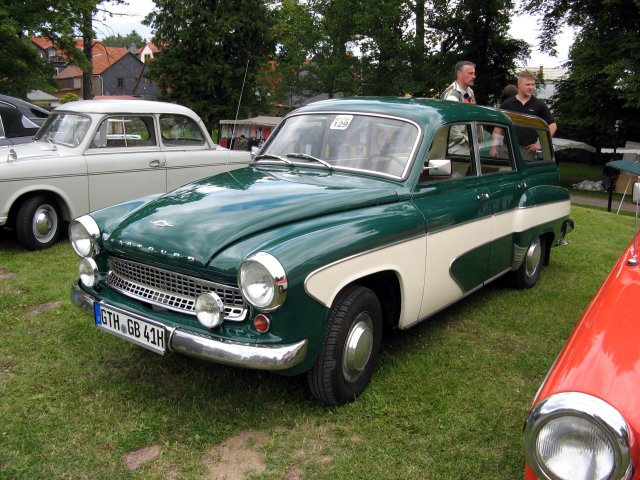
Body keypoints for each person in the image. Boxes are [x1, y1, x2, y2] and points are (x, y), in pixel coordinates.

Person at [491, 71, 557, 158]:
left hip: (527, 151)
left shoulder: (539, 104)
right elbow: (498, 127)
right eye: (528, 84)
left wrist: (540, 144)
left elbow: (553, 125)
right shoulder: (507, 104)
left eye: (533, 84)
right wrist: (493, 148)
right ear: (519, 84)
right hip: (506, 149)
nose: (531, 87)